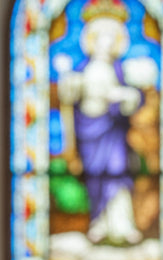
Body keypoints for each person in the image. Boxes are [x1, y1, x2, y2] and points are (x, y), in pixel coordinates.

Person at [55, 3, 156, 246]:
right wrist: (69, 84)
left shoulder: (120, 70)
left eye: (112, 38)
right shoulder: (83, 69)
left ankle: (123, 224)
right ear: (91, 40)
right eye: (101, 37)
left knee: (118, 171)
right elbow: (69, 98)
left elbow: (135, 99)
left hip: (114, 131)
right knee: (96, 176)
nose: (106, 43)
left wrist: (125, 97)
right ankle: (99, 222)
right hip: (89, 130)